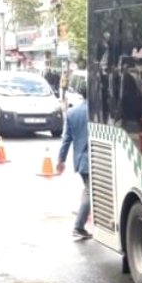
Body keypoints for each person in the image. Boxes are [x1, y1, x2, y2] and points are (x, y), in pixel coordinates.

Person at [57, 96, 91, 240]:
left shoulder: (72, 113)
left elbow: (66, 139)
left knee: (88, 190)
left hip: (80, 161)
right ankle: (78, 226)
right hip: (92, 160)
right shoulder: (98, 112)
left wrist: (61, 160)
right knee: (90, 192)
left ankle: (81, 224)